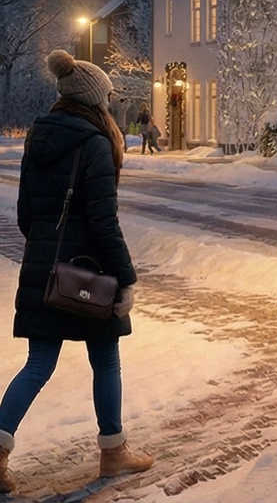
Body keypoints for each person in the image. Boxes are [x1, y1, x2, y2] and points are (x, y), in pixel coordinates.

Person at [0, 51, 153, 492]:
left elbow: (26, 216)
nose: (110, 103)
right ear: (94, 99)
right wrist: (125, 277)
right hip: (89, 274)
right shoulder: (95, 143)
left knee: (38, 364)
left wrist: (50, 247)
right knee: (105, 359)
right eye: (107, 97)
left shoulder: (38, 138)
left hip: (44, 270)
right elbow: (104, 221)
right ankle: (113, 453)